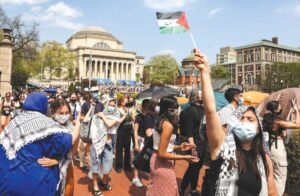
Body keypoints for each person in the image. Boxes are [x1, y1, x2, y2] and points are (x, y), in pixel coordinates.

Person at [194, 49, 277, 195]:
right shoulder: (222, 149)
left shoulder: (264, 158)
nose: (244, 122)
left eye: (250, 119)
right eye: (240, 119)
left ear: (258, 128)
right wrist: (205, 72)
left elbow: (272, 192)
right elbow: (210, 111)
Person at [0, 92, 76, 195]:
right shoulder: (45, 122)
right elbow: (67, 140)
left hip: (6, 182)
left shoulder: (15, 122)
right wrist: (57, 160)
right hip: (33, 184)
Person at [146, 96, 198, 196]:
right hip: (161, 163)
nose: (176, 111)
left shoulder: (159, 120)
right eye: (174, 108)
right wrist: (184, 157)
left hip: (157, 160)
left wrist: (179, 147)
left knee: (159, 191)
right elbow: (162, 153)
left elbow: (161, 146)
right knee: (168, 191)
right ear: (168, 109)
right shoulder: (167, 126)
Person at [37, 99, 81, 196]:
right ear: (53, 112)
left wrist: (60, 161)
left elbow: (74, 149)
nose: (64, 115)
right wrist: (78, 125)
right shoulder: (48, 127)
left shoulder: (72, 127)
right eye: (61, 113)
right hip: (49, 168)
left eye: (67, 112)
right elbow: (71, 140)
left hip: (66, 166)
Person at [263, 100, 300, 196]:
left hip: (268, 147)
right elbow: (298, 125)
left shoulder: (266, 119)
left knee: (270, 174)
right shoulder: (277, 121)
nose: (281, 108)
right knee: (280, 176)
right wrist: (296, 111)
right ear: (275, 109)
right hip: (277, 147)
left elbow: (284, 125)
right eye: (279, 106)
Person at [90, 99, 124, 195]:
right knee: (96, 164)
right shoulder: (102, 113)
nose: (111, 107)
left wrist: (102, 116)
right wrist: (99, 115)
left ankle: (104, 182)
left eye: (113, 105)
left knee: (108, 164)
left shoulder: (116, 115)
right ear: (107, 104)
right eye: (110, 104)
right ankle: (95, 187)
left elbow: (109, 124)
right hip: (97, 141)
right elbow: (93, 122)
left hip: (108, 143)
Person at [180, 90, 205, 196]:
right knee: (194, 167)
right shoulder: (191, 110)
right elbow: (189, 131)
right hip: (194, 143)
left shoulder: (203, 109)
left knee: (196, 167)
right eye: (201, 93)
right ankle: (184, 189)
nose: (203, 95)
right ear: (195, 96)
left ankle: (192, 189)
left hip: (202, 143)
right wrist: (193, 147)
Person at [132, 99, 151, 187]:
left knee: (146, 157)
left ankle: (144, 171)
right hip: (139, 139)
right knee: (137, 158)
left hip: (146, 140)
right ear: (143, 107)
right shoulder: (138, 117)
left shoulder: (150, 117)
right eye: (146, 107)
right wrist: (136, 143)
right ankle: (135, 178)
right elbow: (135, 131)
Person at [115, 96, 134, 173]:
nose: (127, 102)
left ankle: (127, 165)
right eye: (126, 101)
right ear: (122, 102)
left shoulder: (128, 109)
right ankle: (118, 166)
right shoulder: (117, 110)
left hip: (129, 129)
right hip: (121, 129)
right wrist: (125, 114)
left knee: (127, 148)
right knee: (119, 148)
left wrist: (130, 113)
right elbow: (118, 121)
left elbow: (133, 119)